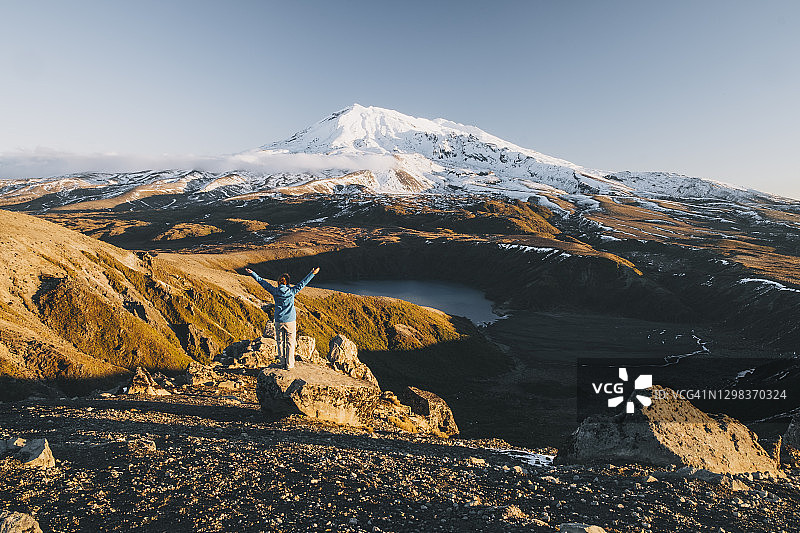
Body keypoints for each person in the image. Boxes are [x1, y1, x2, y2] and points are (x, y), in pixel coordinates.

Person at [245, 266, 320, 370]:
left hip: (279, 320)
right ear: (287, 283)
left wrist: (252, 273)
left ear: (279, 282)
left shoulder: (275, 291)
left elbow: (262, 282)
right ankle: (289, 365)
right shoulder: (292, 291)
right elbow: (303, 283)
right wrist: (312, 273)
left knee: (280, 342)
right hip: (290, 321)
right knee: (290, 342)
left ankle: (282, 363)